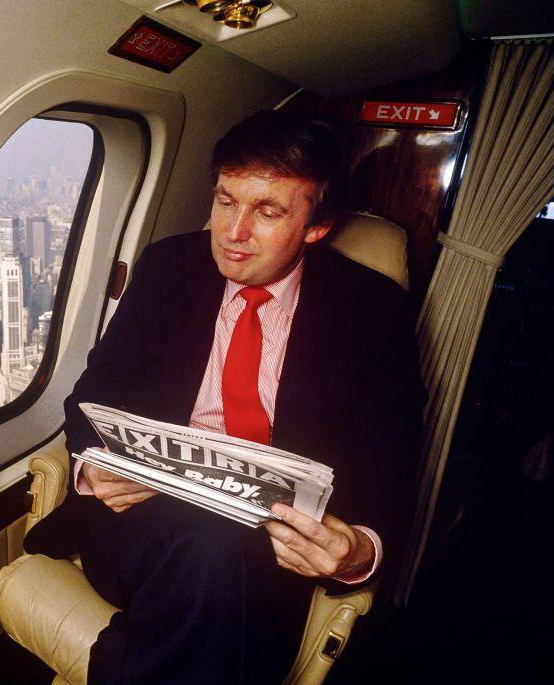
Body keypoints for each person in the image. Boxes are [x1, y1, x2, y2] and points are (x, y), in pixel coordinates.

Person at [23, 110, 425, 684]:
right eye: (226, 201)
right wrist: (94, 466)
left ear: (316, 226)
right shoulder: (168, 267)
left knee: (215, 562)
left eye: (268, 211)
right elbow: (93, 394)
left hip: (269, 542)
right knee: (208, 559)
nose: (233, 233)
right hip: (140, 517)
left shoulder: (375, 313)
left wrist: (361, 549)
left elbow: (393, 464)